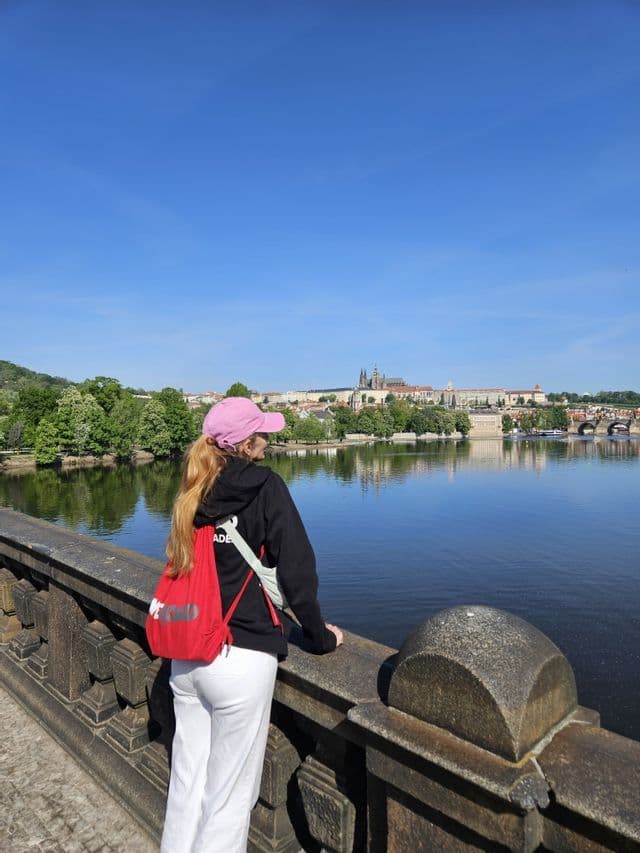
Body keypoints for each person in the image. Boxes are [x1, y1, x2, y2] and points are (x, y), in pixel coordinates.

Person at [160, 397, 343, 853]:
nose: (268, 441)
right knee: (227, 801)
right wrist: (319, 637)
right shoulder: (266, 486)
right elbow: (297, 574)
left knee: (185, 787)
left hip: (187, 653)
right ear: (247, 442)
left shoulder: (194, 485)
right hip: (241, 659)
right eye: (263, 433)